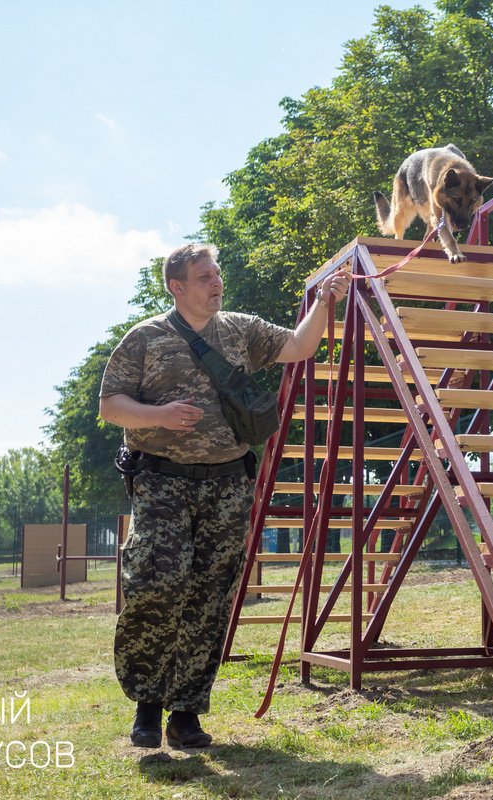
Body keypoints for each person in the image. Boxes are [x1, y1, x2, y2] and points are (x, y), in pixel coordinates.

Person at [99, 243, 349, 749]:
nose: (217, 283)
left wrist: (325, 301)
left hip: (228, 483)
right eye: (204, 277)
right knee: (156, 584)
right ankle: (147, 706)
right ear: (177, 287)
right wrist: (159, 416)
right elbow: (111, 406)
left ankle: (186, 714)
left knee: (212, 595)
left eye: (217, 274)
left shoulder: (240, 329)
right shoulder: (145, 338)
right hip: (162, 482)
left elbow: (299, 346)